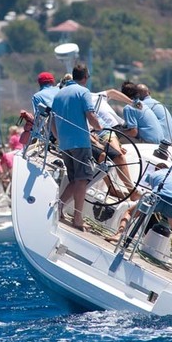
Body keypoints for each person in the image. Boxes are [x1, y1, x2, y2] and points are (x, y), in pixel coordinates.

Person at [109, 163, 172, 279]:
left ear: (157, 168)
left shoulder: (154, 174)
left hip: (157, 198)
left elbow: (152, 189)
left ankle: (119, 234)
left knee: (129, 212)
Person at [50, 63, 102, 230]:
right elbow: (90, 115)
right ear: (85, 77)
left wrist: (59, 138)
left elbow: (51, 121)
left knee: (74, 180)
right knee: (82, 180)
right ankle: (78, 219)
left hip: (65, 144)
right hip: (80, 142)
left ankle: (57, 207)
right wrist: (99, 127)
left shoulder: (59, 94)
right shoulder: (83, 92)